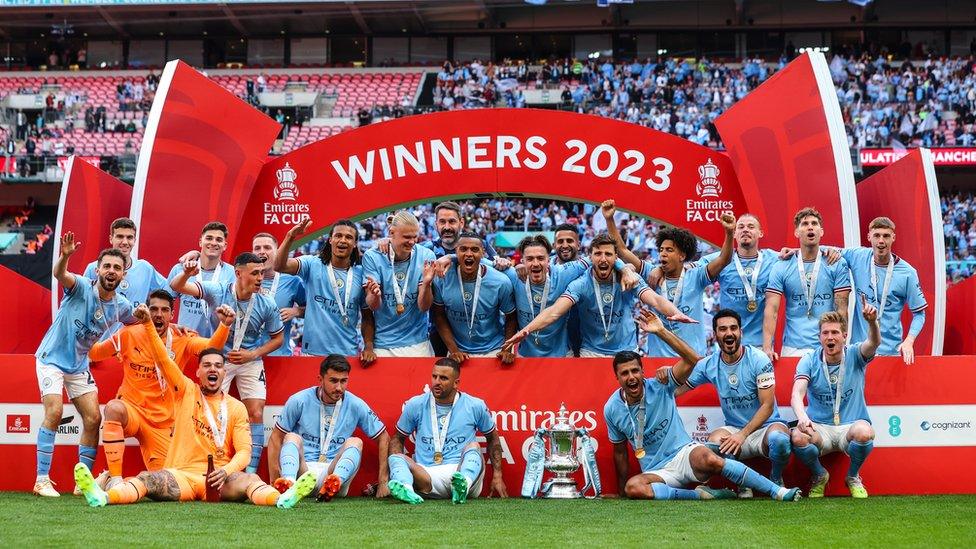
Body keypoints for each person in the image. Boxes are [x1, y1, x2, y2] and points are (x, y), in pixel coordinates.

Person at [74, 313, 316, 508]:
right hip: (183, 476)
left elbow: (244, 451)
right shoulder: (185, 391)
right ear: (198, 372)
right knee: (147, 478)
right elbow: (164, 360)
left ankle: (282, 500)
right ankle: (104, 497)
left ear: (224, 372)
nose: (213, 370)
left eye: (219, 366)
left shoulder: (236, 408)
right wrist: (148, 325)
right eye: (207, 365)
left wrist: (226, 471)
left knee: (251, 479)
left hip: (221, 479)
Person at [605, 310, 800, 501]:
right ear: (616, 378)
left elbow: (691, 359)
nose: (631, 377)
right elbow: (620, 452)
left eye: (635, 371)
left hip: (685, 454)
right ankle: (700, 495)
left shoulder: (661, 386)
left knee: (712, 457)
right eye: (625, 374)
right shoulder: (613, 408)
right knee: (634, 487)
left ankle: (777, 489)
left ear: (642, 371)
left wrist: (661, 331)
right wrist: (621, 492)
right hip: (657, 471)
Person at [88, 290, 233, 490]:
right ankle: (115, 479)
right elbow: (95, 353)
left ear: (171, 315)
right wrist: (85, 326)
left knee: (165, 482)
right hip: (133, 410)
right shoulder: (128, 334)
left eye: (165, 310)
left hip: (164, 422)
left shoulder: (181, 337)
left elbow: (211, 347)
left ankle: (107, 481)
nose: (159, 314)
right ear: (147, 310)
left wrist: (224, 325)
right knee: (113, 408)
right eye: (154, 309)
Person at [33, 234, 134, 497]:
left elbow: (142, 321)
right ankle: (41, 480)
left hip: (78, 366)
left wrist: (152, 317)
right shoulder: (80, 287)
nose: (111, 271)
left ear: (123, 275)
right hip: (51, 360)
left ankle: (83, 483)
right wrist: (65, 256)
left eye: (117, 268)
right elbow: (60, 274)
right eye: (107, 266)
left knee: (93, 418)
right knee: (54, 413)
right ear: (98, 269)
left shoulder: (121, 306)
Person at [170, 252, 284, 474]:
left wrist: (253, 354)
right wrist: (185, 274)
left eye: (262, 273)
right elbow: (178, 286)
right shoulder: (218, 290)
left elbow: (278, 338)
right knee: (208, 411)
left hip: (250, 358)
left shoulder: (267, 303)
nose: (261, 278)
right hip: (219, 358)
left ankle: (250, 471)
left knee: (257, 413)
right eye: (255, 273)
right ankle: (207, 462)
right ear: (238, 273)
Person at [504, 233, 692, 358]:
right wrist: (524, 331)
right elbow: (554, 312)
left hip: (627, 351)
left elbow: (655, 299)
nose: (603, 259)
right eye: (598, 254)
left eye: (608, 254)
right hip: (590, 352)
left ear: (615, 258)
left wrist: (675, 312)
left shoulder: (628, 278)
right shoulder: (580, 283)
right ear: (590, 257)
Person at [670, 309, 792, 497]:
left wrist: (742, 435)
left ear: (740, 332)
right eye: (723, 329)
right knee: (714, 441)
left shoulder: (758, 359)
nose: (729, 333)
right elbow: (678, 389)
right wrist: (665, 379)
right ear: (716, 334)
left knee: (780, 440)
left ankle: (776, 478)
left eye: (733, 328)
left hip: (765, 428)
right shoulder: (708, 365)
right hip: (734, 429)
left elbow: (767, 406)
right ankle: (743, 484)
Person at [603, 200, 734, 357]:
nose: (662, 253)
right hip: (659, 360)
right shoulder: (650, 273)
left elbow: (724, 259)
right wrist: (610, 219)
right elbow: (622, 250)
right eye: (661, 249)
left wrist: (729, 233)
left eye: (669, 250)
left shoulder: (696, 276)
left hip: (693, 359)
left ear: (682, 256)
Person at [790, 303, 881, 498]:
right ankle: (819, 474)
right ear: (819, 337)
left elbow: (873, 343)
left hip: (850, 427)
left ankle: (853, 476)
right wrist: (802, 417)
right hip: (820, 429)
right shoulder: (809, 360)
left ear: (844, 336)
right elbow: (797, 394)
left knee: (865, 433)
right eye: (825, 333)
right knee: (798, 436)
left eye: (835, 332)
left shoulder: (856, 354)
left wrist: (872, 323)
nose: (830, 337)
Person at [268, 355, 390, 500]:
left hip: (333, 470)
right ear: (320, 379)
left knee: (356, 442)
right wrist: (273, 479)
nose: (339, 387)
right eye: (333, 381)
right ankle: (288, 484)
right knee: (291, 437)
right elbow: (275, 437)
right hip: (303, 471)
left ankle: (332, 484)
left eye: (343, 381)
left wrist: (383, 481)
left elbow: (384, 437)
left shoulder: (355, 404)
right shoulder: (299, 400)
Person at [387, 358, 506, 504]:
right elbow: (397, 438)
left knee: (474, 447)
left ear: (456, 383)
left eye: (443, 378)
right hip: (427, 476)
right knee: (395, 458)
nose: (436, 382)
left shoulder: (475, 405)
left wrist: (497, 476)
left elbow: (492, 438)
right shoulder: (415, 404)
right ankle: (407, 490)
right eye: (434, 376)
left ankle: (462, 486)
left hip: (461, 470)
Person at [275, 219, 373, 362]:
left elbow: (368, 317)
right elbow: (279, 266)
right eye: (338, 236)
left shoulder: (361, 274)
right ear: (330, 240)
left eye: (349, 237)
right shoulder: (312, 264)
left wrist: (369, 347)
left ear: (355, 243)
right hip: (312, 353)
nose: (343, 240)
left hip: (347, 353)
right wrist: (290, 237)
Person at [763, 208, 851, 359]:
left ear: (821, 231)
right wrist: (767, 347)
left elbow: (841, 307)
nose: (810, 227)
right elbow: (772, 309)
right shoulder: (782, 265)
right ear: (797, 232)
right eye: (804, 224)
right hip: (793, 346)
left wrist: (840, 343)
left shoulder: (836, 263)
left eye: (814, 223)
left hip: (826, 346)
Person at [837, 217, 926, 364]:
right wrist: (796, 252)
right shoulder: (858, 256)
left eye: (886, 236)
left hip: (890, 352)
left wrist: (909, 341)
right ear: (869, 237)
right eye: (877, 235)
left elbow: (919, 314)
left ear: (893, 238)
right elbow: (824, 251)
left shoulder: (907, 273)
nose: (881, 241)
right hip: (858, 351)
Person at [693, 214, 783, 347]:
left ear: (760, 233)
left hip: (762, 346)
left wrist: (825, 249)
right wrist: (660, 270)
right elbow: (690, 269)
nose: (745, 229)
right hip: (730, 344)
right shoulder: (721, 259)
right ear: (735, 234)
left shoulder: (774, 259)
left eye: (751, 227)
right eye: (741, 227)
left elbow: (802, 255)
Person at [432, 233, 516, 363]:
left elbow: (511, 317)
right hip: (458, 351)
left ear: (483, 253)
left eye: (475, 249)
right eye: (463, 249)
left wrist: (507, 349)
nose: (469, 254)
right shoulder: (442, 278)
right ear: (456, 251)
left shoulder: (501, 282)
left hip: (493, 350)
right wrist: (453, 350)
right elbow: (439, 316)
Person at [362, 211, 437, 357]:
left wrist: (427, 284)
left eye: (415, 237)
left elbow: (424, 307)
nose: (412, 242)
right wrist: (374, 294)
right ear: (391, 232)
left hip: (418, 343)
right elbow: (373, 306)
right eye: (407, 237)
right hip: (383, 345)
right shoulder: (373, 257)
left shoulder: (426, 256)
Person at [166, 222, 235, 336]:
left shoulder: (232, 273)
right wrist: (171, 325)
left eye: (218, 240)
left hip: (217, 345)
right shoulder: (181, 269)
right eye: (209, 238)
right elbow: (163, 303)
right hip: (186, 341)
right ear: (200, 242)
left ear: (225, 245)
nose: (213, 243)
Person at [83, 217, 167, 308]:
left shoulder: (145, 268)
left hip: (135, 322)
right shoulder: (94, 268)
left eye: (129, 237)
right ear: (111, 239)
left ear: (134, 240)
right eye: (120, 237)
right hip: (102, 322)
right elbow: (81, 299)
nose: (125, 242)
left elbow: (170, 291)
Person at [251, 232, 306, 357]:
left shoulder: (292, 281)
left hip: (279, 357)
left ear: (277, 252)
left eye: (267, 248)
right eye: (257, 248)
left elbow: (314, 309)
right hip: (247, 359)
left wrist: (297, 311)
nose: (262, 252)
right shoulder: (242, 280)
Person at [422, 201, 496, 260]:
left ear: (461, 223)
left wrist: (502, 262)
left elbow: (498, 263)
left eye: (452, 221)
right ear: (436, 224)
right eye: (442, 222)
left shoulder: (479, 244)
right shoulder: (427, 249)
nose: (447, 227)